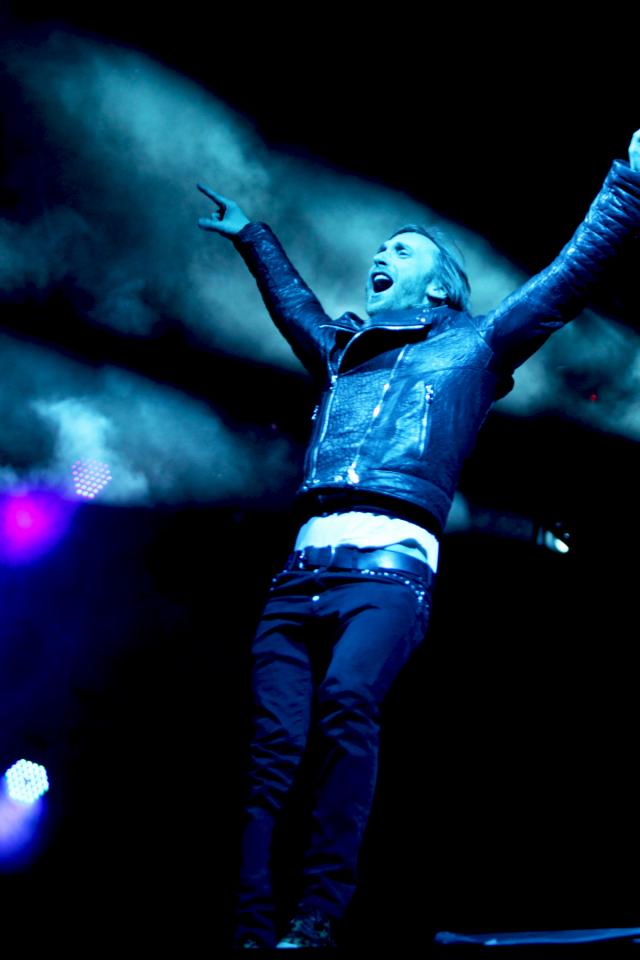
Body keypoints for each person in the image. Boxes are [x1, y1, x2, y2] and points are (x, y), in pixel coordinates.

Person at [197, 129, 640, 950]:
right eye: (382, 248)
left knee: (347, 703)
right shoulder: (343, 355)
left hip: (388, 574)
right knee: (269, 751)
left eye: (401, 250)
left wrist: (628, 186)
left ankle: (317, 914)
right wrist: (253, 235)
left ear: (437, 286)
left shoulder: (475, 346)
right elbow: (297, 307)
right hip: (297, 576)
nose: (381, 254)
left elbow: (565, 279)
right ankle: (252, 929)